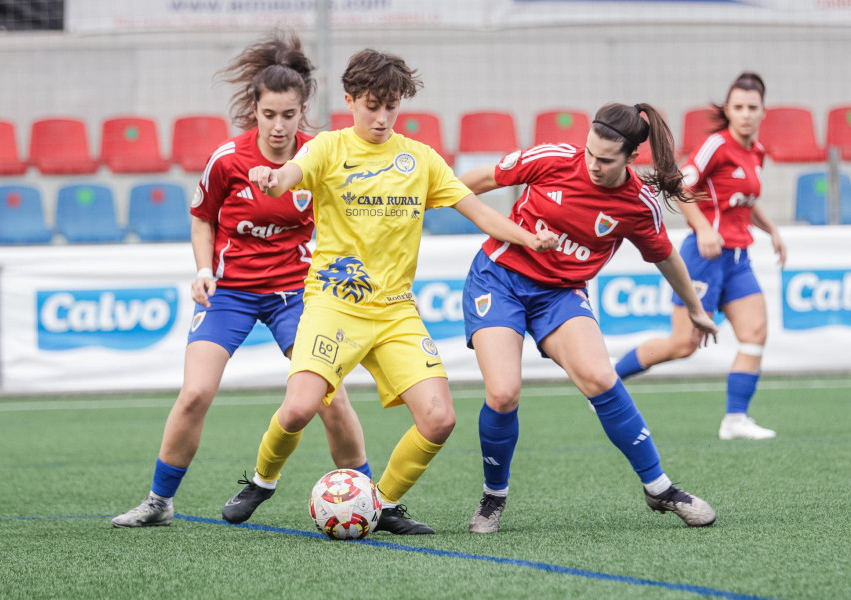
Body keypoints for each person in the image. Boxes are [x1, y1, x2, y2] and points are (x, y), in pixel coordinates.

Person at [220, 48, 556, 535]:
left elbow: (482, 215)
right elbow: (285, 178)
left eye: (391, 106)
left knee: (439, 420)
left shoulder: (420, 160)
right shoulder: (328, 148)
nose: (381, 117)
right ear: (350, 100)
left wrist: (531, 237)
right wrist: (270, 179)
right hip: (333, 305)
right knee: (297, 408)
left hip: (395, 312)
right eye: (371, 105)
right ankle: (262, 480)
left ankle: (378, 505)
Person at [112, 31, 370, 528]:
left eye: (288, 115)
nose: (278, 126)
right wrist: (204, 270)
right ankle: (159, 503)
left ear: (302, 112)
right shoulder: (227, 159)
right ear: (255, 109)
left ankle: (373, 498)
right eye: (268, 114)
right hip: (229, 293)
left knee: (330, 396)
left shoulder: (317, 158)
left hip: (296, 293)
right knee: (195, 394)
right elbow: (202, 217)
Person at [459, 102, 720, 534]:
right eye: (589, 153)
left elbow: (667, 257)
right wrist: (422, 208)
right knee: (503, 393)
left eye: (605, 160)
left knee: (600, 377)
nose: (593, 165)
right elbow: (473, 183)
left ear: (631, 158)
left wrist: (695, 309)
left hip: (559, 294)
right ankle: (493, 496)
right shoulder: (553, 160)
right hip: (498, 279)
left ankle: (659, 488)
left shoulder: (637, 204)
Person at [615, 73, 784, 441]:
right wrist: (703, 228)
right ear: (727, 110)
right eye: (738, 107)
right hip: (704, 256)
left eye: (752, 108)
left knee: (755, 333)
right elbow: (677, 185)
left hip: (738, 258)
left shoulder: (757, 152)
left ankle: (735, 420)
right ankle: (608, 380)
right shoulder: (716, 146)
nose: (745, 114)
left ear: (763, 112)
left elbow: (742, 202)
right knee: (683, 345)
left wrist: (771, 230)